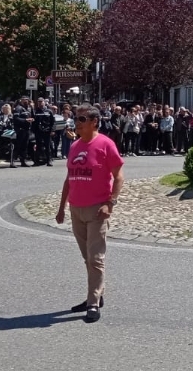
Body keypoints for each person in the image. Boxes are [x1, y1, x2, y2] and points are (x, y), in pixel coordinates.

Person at [55, 104, 124, 324]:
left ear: (94, 121)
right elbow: (69, 179)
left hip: (97, 210)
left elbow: (119, 177)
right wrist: (61, 207)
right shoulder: (74, 146)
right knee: (87, 257)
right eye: (76, 118)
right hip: (76, 209)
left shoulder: (105, 144)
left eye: (82, 119)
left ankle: (92, 303)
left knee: (95, 258)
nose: (77, 122)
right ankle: (96, 293)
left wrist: (110, 204)